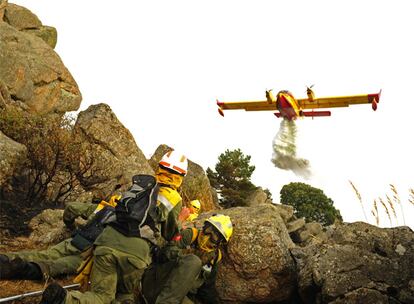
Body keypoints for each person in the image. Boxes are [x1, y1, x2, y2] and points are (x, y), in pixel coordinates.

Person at [39, 150, 188, 304]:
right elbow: (170, 235)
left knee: (101, 295)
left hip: (106, 242)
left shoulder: (139, 186)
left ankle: (64, 299)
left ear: (159, 167)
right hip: (136, 254)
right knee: (124, 295)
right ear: (181, 177)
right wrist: (181, 222)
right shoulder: (174, 198)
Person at [0, 194, 120, 281]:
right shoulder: (130, 227)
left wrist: (70, 225)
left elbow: (72, 207)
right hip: (89, 257)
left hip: (76, 241)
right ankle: (22, 270)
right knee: (59, 265)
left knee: (43, 255)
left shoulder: (103, 208)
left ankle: (5, 258)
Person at [142, 213, 233, 304]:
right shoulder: (190, 235)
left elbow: (207, 289)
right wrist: (186, 254)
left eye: (215, 236)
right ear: (204, 226)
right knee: (194, 262)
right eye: (209, 229)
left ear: (220, 242)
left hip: (179, 296)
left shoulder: (215, 257)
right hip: (156, 283)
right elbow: (163, 253)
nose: (208, 235)